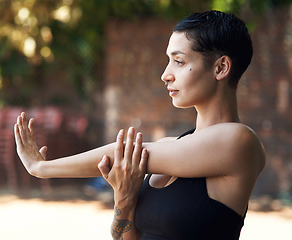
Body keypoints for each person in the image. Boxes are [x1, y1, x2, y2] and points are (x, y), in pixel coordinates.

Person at [14, 10, 266, 240]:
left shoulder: (240, 142)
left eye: (178, 61)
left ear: (221, 67)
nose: (165, 74)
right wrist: (123, 200)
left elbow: (121, 153)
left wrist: (42, 168)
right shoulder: (170, 148)